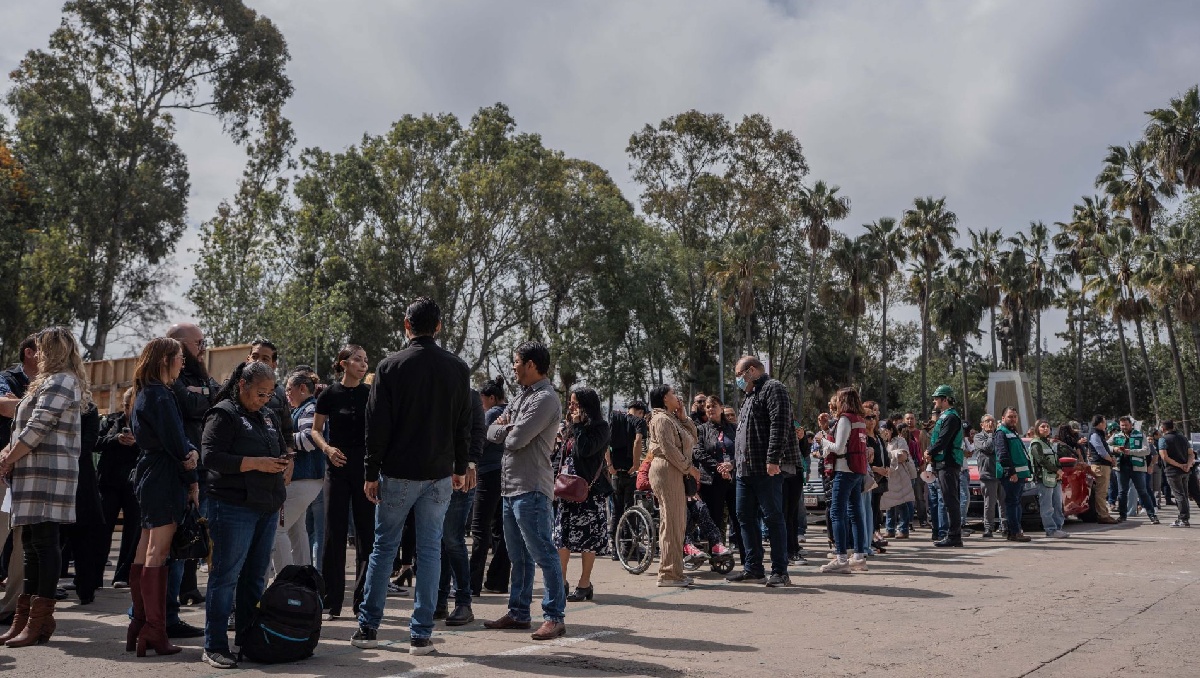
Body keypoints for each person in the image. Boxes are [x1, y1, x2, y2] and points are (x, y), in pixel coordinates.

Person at [354, 297, 472, 655]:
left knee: (384, 548)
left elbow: (376, 424)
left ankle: (368, 627)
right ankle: (421, 634)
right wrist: (459, 467)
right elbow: (462, 424)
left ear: (407, 325)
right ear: (439, 326)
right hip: (438, 473)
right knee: (430, 550)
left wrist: (370, 471)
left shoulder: (390, 366)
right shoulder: (457, 367)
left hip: (398, 472)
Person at [0, 328, 87, 648]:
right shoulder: (46, 381)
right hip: (32, 472)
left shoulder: (62, 380)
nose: (35, 354)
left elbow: (39, 425)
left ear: (50, 350)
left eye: (39, 348)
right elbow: (22, 425)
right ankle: (26, 620)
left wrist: (9, 458)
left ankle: (39, 621)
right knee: (32, 545)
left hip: (49, 473)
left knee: (45, 543)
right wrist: (7, 452)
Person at [201, 361, 291, 669]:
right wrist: (256, 463)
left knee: (255, 577)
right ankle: (214, 645)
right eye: (260, 393)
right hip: (233, 506)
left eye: (269, 394)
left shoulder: (267, 415)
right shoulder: (223, 413)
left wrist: (284, 460)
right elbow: (210, 457)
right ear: (242, 385)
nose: (265, 399)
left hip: (266, 504)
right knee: (226, 576)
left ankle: (248, 640)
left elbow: (278, 445)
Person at [483, 341, 567, 641]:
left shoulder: (545, 399)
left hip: (531, 487)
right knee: (518, 556)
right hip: (511, 487)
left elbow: (514, 439)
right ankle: (519, 613)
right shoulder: (522, 396)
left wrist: (506, 428)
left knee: (543, 552)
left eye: (517, 361)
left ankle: (554, 616)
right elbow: (490, 429)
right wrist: (506, 428)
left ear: (531, 364)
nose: (513, 367)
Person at [128, 337, 200, 657]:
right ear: (165, 360)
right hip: (164, 476)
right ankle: (154, 629)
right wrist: (192, 474)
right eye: (179, 357)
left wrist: (188, 453)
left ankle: (141, 624)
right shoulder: (161, 394)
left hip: (149, 474)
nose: (182, 363)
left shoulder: (143, 393)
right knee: (158, 552)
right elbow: (177, 443)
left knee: (146, 548)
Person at [726, 356, 799, 587]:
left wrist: (773, 458)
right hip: (744, 470)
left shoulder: (773, 388)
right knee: (744, 517)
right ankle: (754, 569)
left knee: (773, 517)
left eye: (739, 375)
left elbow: (780, 424)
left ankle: (780, 571)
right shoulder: (749, 396)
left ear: (751, 370)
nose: (738, 380)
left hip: (765, 468)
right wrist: (735, 463)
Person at [313, 345, 374, 620]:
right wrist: (327, 449)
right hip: (336, 468)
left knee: (366, 534)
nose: (363, 365)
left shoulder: (370, 394)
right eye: (358, 360)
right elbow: (315, 430)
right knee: (333, 534)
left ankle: (363, 601)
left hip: (365, 469)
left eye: (365, 361)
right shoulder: (328, 394)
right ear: (343, 363)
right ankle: (331, 602)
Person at [164, 322, 219, 618]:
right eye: (198, 343)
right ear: (178, 345)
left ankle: (186, 592)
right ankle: (167, 614)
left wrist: (203, 392)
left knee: (196, 536)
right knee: (176, 543)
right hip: (180, 470)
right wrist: (202, 395)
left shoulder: (201, 376)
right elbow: (191, 406)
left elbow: (217, 397)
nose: (203, 349)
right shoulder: (169, 379)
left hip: (203, 469)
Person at [555, 387, 612, 599]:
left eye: (575, 403)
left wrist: (578, 426)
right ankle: (560, 581)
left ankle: (584, 583)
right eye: (570, 403)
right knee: (562, 538)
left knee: (589, 540)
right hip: (567, 491)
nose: (571, 407)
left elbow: (585, 450)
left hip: (589, 492)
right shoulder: (571, 427)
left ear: (587, 406)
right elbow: (563, 456)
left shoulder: (601, 428)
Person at [435, 389, 485, 624]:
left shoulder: (469, 395)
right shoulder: (432, 393)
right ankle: (439, 601)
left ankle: (463, 602)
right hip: (433, 474)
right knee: (438, 540)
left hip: (460, 474)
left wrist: (470, 464)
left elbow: (478, 432)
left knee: (452, 539)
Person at [647, 384, 700, 588]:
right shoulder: (661, 419)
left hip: (675, 470)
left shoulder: (672, 419)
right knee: (671, 523)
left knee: (677, 522)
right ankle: (668, 574)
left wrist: (684, 417)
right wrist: (689, 468)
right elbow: (669, 448)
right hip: (667, 470)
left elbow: (693, 439)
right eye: (672, 394)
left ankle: (675, 572)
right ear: (664, 399)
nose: (677, 397)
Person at [274, 371, 325, 570]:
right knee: (297, 531)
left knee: (276, 530)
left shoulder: (309, 408)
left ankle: (285, 580)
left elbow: (310, 440)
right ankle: (303, 579)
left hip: (304, 480)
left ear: (302, 388)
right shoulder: (306, 408)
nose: (286, 394)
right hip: (305, 480)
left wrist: (281, 439)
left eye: (289, 390)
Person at [818, 387, 870, 573]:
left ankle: (841, 558)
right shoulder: (860, 420)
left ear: (844, 401)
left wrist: (823, 441)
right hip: (857, 470)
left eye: (839, 399)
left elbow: (839, 448)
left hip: (844, 470)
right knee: (856, 513)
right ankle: (859, 556)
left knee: (836, 513)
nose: (837, 402)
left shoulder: (845, 419)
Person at [96, 388, 142, 587]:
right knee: (102, 529)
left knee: (132, 531)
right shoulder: (110, 421)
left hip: (133, 483)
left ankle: (123, 575)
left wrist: (136, 443)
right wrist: (115, 439)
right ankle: (94, 576)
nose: (128, 409)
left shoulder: (145, 425)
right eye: (127, 405)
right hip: (109, 481)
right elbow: (94, 442)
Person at [470, 377, 511, 595]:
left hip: (487, 474)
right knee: (501, 530)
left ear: (492, 398)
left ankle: (472, 582)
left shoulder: (491, 414)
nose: (481, 404)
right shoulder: (510, 412)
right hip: (504, 472)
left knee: (479, 528)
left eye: (482, 400)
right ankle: (498, 579)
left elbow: (480, 441)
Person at [692, 396, 740, 564]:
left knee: (739, 518)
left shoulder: (733, 428)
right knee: (715, 519)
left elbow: (742, 451)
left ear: (721, 407)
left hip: (733, 479)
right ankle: (717, 558)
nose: (710, 409)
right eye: (707, 407)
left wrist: (731, 465)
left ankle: (747, 559)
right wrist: (719, 467)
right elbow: (698, 452)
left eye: (713, 406)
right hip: (711, 481)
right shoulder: (701, 429)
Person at [605, 400, 648, 561]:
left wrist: (609, 464)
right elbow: (638, 441)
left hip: (616, 472)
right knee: (629, 510)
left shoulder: (615, 418)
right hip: (630, 472)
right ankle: (628, 548)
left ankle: (615, 548)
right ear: (640, 412)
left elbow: (606, 443)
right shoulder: (639, 422)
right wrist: (636, 463)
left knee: (616, 511)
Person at [926, 386, 965, 547]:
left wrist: (930, 451)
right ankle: (953, 535)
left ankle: (954, 536)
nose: (934, 401)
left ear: (945, 399)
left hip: (948, 463)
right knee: (949, 500)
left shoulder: (951, 418)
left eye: (937, 398)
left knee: (950, 500)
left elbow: (943, 440)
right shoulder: (946, 416)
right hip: (944, 463)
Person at [1111, 416, 1158, 524]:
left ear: (1131, 425)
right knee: (1122, 493)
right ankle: (1122, 515)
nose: (1124, 427)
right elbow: (1106, 445)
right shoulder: (1116, 436)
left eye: (1126, 425)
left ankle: (1152, 515)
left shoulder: (1140, 435)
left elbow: (1147, 451)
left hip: (1137, 467)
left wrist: (1130, 452)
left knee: (1143, 491)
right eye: (1122, 425)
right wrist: (1114, 449)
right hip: (1121, 467)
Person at [995, 407, 1032, 542]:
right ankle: (1014, 532)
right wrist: (1011, 472)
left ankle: (1016, 531)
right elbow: (1002, 455)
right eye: (1010, 416)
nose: (1013, 419)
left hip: (1020, 475)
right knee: (1012, 503)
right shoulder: (1001, 432)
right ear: (1003, 418)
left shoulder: (1012, 432)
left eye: (1015, 416)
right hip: (1012, 475)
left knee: (1016, 503)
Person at [1029, 420, 1069, 538]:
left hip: (1054, 478)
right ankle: (1050, 530)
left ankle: (1058, 528)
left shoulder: (1049, 443)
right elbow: (1041, 460)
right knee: (1047, 506)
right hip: (1043, 478)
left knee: (1057, 505)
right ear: (1037, 429)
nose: (1046, 428)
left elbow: (1055, 459)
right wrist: (1057, 470)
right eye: (1042, 426)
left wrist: (1059, 470)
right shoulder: (1036, 444)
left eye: (1047, 426)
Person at [974, 414, 1006, 538]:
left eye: (992, 421)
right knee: (989, 504)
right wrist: (991, 435)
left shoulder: (999, 435)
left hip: (1001, 473)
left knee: (1003, 502)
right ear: (982, 425)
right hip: (988, 475)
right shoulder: (978, 437)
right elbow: (988, 448)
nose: (990, 423)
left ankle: (1004, 526)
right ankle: (988, 528)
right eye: (987, 421)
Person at [1158, 420, 1193, 527]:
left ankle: (1183, 518)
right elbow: (1191, 454)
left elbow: (1164, 456)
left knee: (1179, 495)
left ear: (1163, 428)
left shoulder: (1163, 439)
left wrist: (1179, 465)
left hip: (1173, 471)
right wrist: (1188, 465)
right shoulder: (1183, 438)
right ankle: (1184, 517)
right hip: (1185, 470)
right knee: (1184, 494)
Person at [1086, 415, 1120, 524]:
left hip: (1102, 466)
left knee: (1103, 492)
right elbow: (1101, 451)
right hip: (1100, 466)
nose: (1106, 425)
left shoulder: (1099, 434)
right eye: (1105, 422)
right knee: (1101, 492)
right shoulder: (1095, 435)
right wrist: (1111, 459)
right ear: (1100, 423)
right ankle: (1102, 516)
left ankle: (1104, 513)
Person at [904, 412, 929, 528]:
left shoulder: (921, 434)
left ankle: (923, 520)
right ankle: (907, 522)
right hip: (904, 469)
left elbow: (925, 449)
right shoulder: (901, 434)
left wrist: (924, 463)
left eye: (912, 418)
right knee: (906, 497)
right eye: (907, 419)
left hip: (919, 467)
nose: (910, 421)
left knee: (919, 496)